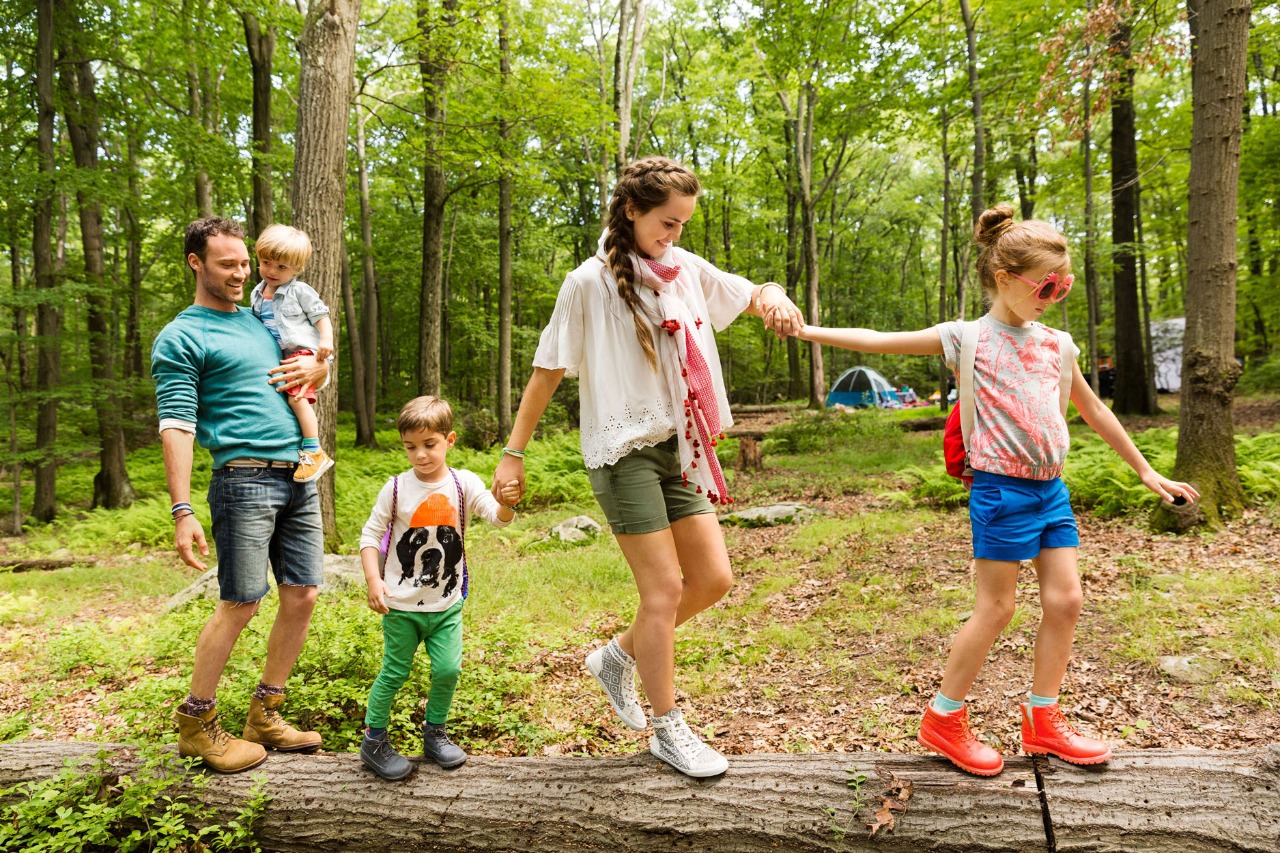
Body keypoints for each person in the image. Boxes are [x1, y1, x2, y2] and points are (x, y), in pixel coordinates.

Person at [794, 204, 1199, 776]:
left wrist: (1145, 470)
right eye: (1046, 286)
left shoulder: (1058, 345)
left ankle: (1042, 721)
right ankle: (944, 718)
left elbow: (1093, 408)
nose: (1053, 297)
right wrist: (805, 328)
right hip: (1000, 490)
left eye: (1064, 287)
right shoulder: (967, 338)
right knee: (997, 608)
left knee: (1067, 601)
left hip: (1050, 490)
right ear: (1005, 278)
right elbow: (877, 341)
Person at [492, 156, 804, 778]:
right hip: (622, 450)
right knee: (662, 591)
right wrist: (514, 451)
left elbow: (750, 291)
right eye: (666, 222)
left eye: (683, 225)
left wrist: (776, 297)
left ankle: (617, 656)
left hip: (681, 445)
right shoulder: (588, 283)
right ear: (631, 211)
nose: (674, 236)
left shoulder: (683, 270)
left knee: (713, 579)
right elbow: (548, 369)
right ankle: (667, 729)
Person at [151, 217, 332, 773]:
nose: (240, 273)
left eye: (244, 263)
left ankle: (265, 714)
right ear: (196, 264)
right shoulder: (182, 335)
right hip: (243, 479)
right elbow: (176, 424)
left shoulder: (260, 319)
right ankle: (197, 725)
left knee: (301, 595)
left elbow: (302, 372)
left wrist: (318, 368)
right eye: (227, 264)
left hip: (300, 476)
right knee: (242, 600)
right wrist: (182, 510)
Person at [358, 396, 522, 781]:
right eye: (410, 447)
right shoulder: (396, 488)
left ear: (449, 440)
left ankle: (435, 734)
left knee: (448, 670)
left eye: (429, 444)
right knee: (394, 673)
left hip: (446, 604)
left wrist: (508, 503)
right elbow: (370, 534)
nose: (420, 455)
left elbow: (497, 518)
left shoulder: (463, 483)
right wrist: (373, 580)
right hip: (401, 606)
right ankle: (373, 739)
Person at [249, 224, 336, 483]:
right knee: (286, 396)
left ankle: (313, 450)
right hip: (281, 358)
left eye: (282, 267)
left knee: (297, 399)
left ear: (296, 269)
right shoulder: (256, 293)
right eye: (266, 262)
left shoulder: (299, 291)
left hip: (304, 353)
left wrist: (327, 342)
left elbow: (321, 316)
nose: (272, 271)